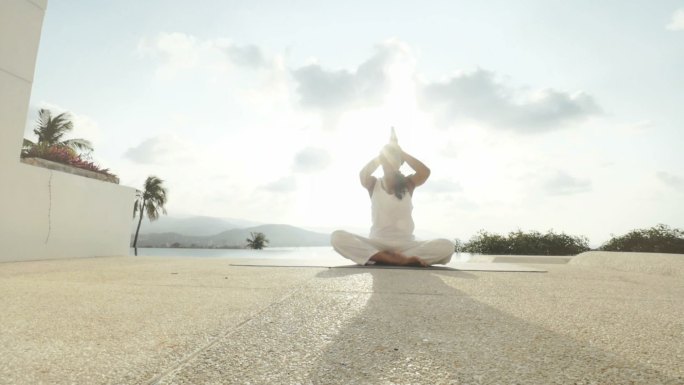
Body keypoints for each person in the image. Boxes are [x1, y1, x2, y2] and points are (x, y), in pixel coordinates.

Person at [331, 129, 455, 267]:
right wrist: (383, 153)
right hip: (377, 244)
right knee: (337, 237)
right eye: (387, 159)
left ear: (400, 163)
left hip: (406, 245)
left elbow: (425, 172)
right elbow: (363, 174)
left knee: (447, 246)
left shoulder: (408, 184)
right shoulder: (373, 184)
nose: (390, 161)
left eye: (394, 159)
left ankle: (383, 258)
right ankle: (396, 259)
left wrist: (399, 151)